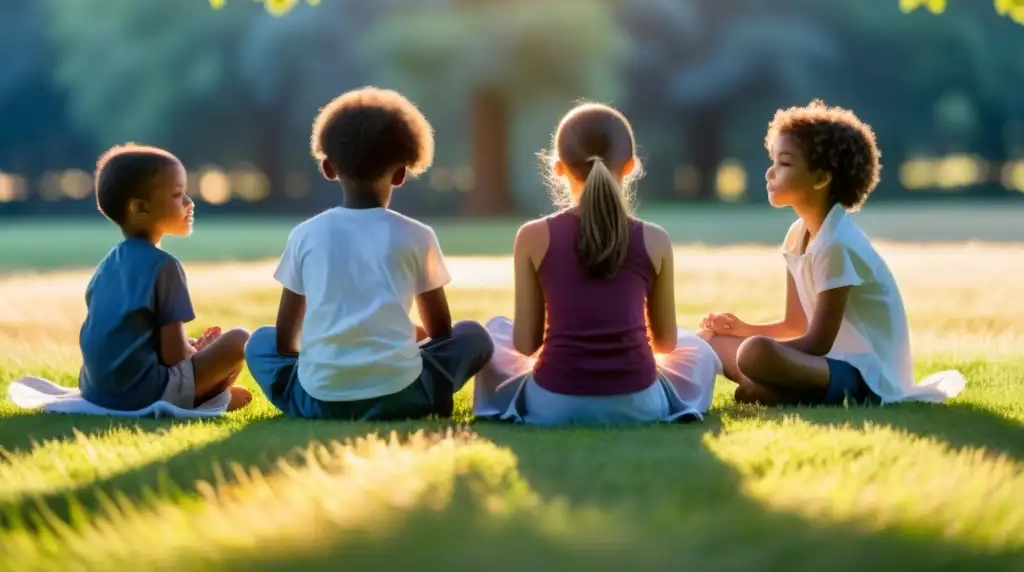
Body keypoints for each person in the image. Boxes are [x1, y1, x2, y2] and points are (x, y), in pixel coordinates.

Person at [245, 87, 494, 420]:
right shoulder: (418, 235)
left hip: (318, 399)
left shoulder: (305, 234)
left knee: (259, 342)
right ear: (401, 173)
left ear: (328, 168)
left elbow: (285, 341)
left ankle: (311, 400)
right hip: (401, 394)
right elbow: (440, 332)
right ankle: (428, 396)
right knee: (474, 336)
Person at [699, 100, 965, 406]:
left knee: (755, 352)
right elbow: (795, 325)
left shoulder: (837, 243)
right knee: (712, 341)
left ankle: (773, 389)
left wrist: (754, 347)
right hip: (823, 366)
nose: (770, 173)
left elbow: (816, 342)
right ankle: (772, 390)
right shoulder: (797, 235)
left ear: (822, 178)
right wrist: (743, 328)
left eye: (784, 163)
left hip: (865, 376)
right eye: (773, 161)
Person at [474, 102, 720, 425]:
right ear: (630, 167)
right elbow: (665, 342)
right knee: (698, 350)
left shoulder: (532, 237)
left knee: (496, 333)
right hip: (640, 403)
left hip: (554, 403)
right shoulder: (655, 239)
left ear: (559, 168)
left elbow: (525, 344)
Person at [78, 144, 252, 412]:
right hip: (144, 394)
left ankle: (211, 391)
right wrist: (199, 353)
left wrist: (193, 347)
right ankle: (212, 398)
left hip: (96, 390)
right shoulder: (164, 266)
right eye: (177, 194)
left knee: (200, 345)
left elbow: (135, 336)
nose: (189, 203)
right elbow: (173, 356)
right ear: (141, 208)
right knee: (240, 339)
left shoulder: (106, 265)